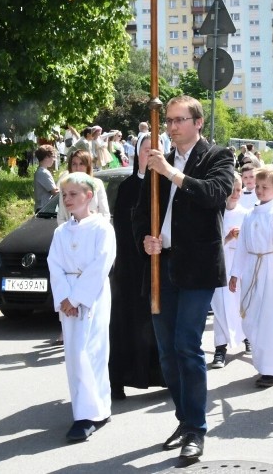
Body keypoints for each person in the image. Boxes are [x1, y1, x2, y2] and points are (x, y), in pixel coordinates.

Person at [133, 95, 234, 460]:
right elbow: (142, 211)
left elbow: (213, 194)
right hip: (162, 264)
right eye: (170, 121)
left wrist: (172, 173)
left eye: (179, 120)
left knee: (187, 345)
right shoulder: (160, 161)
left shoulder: (218, 157)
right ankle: (184, 416)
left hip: (198, 267)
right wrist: (145, 238)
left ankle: (196, 429)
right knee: (166, 351)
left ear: (198, 122)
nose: (172, 127)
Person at [47, 172, 117, 442]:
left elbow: (101, 265)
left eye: (74, 194)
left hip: (92, 297)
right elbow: (55, 265)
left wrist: (76, 298)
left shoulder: (102, 228)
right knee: (74, 355)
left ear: (89, 196)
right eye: (64, 195)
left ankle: (93, 413)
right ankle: (86, 411)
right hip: (69, 302)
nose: (68, 199)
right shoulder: (61, 232)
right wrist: (65, 298)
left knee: (92, 352)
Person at [109, 133, 163, 400]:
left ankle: (163, 377)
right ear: (137, 155)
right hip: (131, 267)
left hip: (160, 265)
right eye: (146, 150)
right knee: (125, 324)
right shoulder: (128, 187)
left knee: (159, 325)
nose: (150, 155)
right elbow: (121, 228)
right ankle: (119, 378)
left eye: (156, 150)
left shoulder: (167, 184)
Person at [229, 168, 273, 388]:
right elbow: (243, 246)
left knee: (270, 319)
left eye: (265, 188)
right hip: (252, 268)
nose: (260, 191)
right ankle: (263, 364)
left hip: (271, 269)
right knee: (252, 318)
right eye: (258, 187)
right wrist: (235, 273)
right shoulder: (250, 214)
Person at [210, 173, 251, 370]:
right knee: (221, 306)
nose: (236, 194)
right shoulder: (217, 213)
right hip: (221, 264)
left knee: (243, 303)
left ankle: (247, 336)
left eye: (239, 189)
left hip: (240, 264)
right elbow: (211, 242)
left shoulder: (247, 213)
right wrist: (227, 238)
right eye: (232, 189)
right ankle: (220, 347)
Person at [57, 150, 110, 225]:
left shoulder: (97, 184)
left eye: (81, 164)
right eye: (74, 164)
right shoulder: (65, 186)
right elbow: (61, 216)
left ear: (88, 166)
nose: (77, 168)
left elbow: (105, 214)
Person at [33, 145, 59, 213]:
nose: (54, 160)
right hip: (44, 209)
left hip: (42, 208)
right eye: (53, 157)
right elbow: (55, 192)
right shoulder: (43, 172)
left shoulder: (40, 171)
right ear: (47, 157)